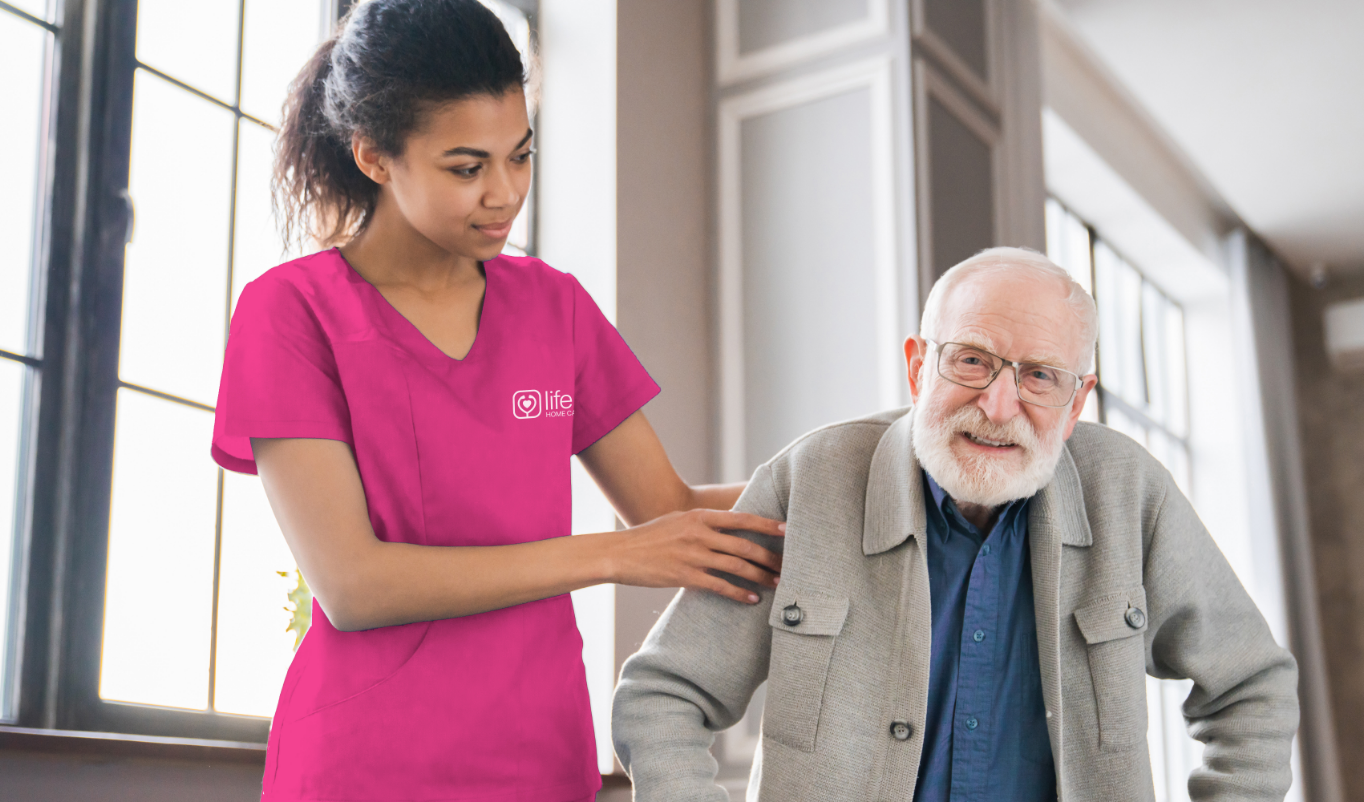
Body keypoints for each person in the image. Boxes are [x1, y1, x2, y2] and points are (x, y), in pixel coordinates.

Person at [210, 2, 785, 800]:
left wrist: (861, 481)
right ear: (376, 157)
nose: (505, 193)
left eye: (521, 155)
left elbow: (670, 509)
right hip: (365, 764)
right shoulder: (292, 312)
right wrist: (613, 555)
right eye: (466, 167)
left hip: (541, 754)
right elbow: (352, 586)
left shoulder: (557, 309)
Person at [611, 247, 1299, 801]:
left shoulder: (1130, 490)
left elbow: (1250, 686)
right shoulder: (811, 479)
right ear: (918, 366)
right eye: (971, 360)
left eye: (1039, 377)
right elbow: (664, 694)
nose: (999, 406)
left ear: (1076, 401)